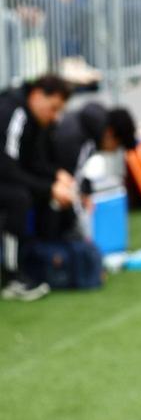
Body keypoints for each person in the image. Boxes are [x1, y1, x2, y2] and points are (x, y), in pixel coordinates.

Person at [0, 74, 74, 301]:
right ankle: (11, 278)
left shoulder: (36, 120)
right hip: (4, 175)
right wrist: (48, 188)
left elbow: (33, 161)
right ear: (37, 95)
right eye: (52, 108)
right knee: (18, 198)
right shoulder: (14, 112)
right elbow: (7, 167)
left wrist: (56, 177)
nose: (54, 116)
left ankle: (45, 261)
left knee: (45, 193)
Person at [50, 102, 137, 237]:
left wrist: (85, 191)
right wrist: (84, 234)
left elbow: (77, 173)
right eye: (118, 145)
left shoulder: (82, 125)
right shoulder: (82, 142)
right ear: (110, 133)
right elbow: (72, 187)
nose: (114, 151)